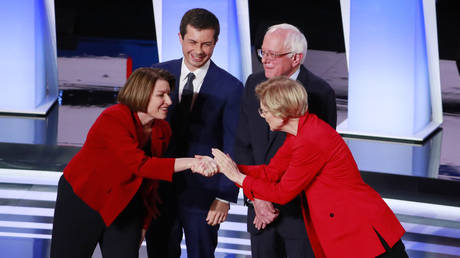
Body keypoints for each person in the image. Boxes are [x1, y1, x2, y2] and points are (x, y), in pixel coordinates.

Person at [213, 77, 408, 258]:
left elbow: (282, 193)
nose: (262, 116)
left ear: (282, 111)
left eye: (264, 110)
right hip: (345, 228)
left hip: (360, 229)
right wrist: (227, 168)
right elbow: (271, 173)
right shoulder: (299, 134)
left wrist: (238, 177)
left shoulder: (311, 139)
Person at [50, 68, 216, 258]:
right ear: (142, 94)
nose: (169, 102)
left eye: (168, 94)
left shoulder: (163, 130)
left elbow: (151, 184)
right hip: (85, 199)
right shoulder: (113, 118)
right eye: (161, 95)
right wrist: (190, 163)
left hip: (126, 204)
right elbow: (140, 165)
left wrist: (144, 225)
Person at [145, 8, 243, 258]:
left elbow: (233, 142)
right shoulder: (157, 74)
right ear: (180, 38)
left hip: (204, 193)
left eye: (206, 44)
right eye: (192, 42)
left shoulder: (230, 87)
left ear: (216, 42)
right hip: (160, 189)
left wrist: (224, 196)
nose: (198, 51)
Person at [234, 23, 336, 258]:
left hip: (299, 216)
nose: (265, 60)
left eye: (273, 54)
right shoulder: (253, 84)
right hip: (260, 214)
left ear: (296, 58)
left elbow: (315, 161)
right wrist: (257, 198)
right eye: (263, 53)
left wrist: (270, 198)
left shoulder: (320, 93)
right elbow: (242, 144)